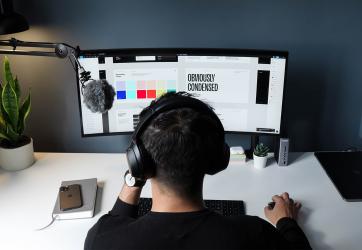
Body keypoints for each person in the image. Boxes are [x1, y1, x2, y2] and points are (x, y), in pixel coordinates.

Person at [84, 92, 311, 250]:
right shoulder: (253, 234)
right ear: (217, 160)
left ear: (139, 162)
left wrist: (135, 176)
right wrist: (286, 221)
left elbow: (114, 222)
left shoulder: (103, 240)